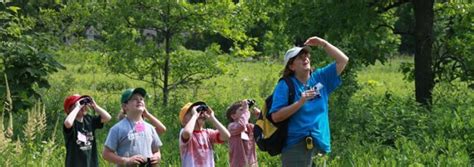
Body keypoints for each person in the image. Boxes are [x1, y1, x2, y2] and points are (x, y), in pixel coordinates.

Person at [269, 36, 349, 166]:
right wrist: (300, 102)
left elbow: (343, 60)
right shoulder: (285, 85)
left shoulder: (320, 78)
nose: (305, 58)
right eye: (300, 57)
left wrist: (324, 44)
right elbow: (276, 117)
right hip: (296, 145)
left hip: (319, 144)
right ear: (291, 66)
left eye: (306, 55)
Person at [103, 88, 163, 166]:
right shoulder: (117, 129)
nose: (139, 101)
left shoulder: (150, 128)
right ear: (125, 106)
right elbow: (106, 154)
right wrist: (126, 161)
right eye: (134, 99)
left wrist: (157, 157)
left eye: (141, 99)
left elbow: (156, 151)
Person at [63, 94, 112, 167]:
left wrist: (95, 106)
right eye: (80, 104)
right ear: (70, 109)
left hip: (91, 163)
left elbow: (107, 117)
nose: (83, 106)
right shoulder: (71, 123)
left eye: (84, 104)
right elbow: (68, 123)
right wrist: (77, 107)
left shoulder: (89, 119)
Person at [178, 101, 231, 167]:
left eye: (201, 112)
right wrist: (194, 116)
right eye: (191, 113)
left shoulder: (208, 133)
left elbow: (226, 136)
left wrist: (212, 118)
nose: (198, 114)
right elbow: (187, 133)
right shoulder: (184, 132)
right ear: (184, 121)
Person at [226, 100, 261, 167]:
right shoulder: (231, 126)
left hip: (252, 164)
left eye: (245, 109)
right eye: (241, 110)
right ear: (233, 116)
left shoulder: (250, 127)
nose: (245, 111)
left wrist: (260, 116)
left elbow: (264, 131)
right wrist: (246, 110)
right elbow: (241, 126)